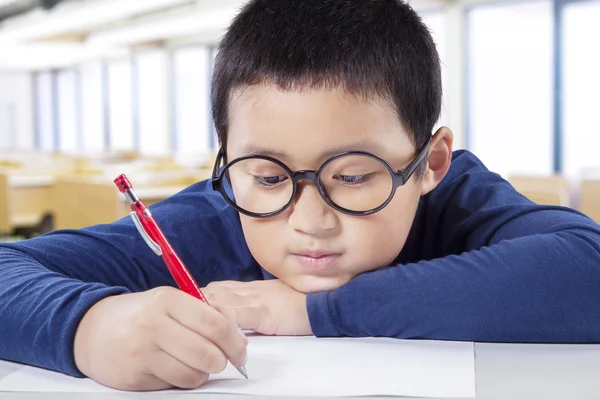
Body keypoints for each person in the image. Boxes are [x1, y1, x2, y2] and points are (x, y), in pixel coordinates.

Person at [2, 0, 600, 392]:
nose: (309, 222)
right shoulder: (213, 217)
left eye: (354, 176)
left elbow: (587, 269)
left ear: (429, 164)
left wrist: (310, 312)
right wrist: (86, 327)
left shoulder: (459, 197)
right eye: (267, 177)